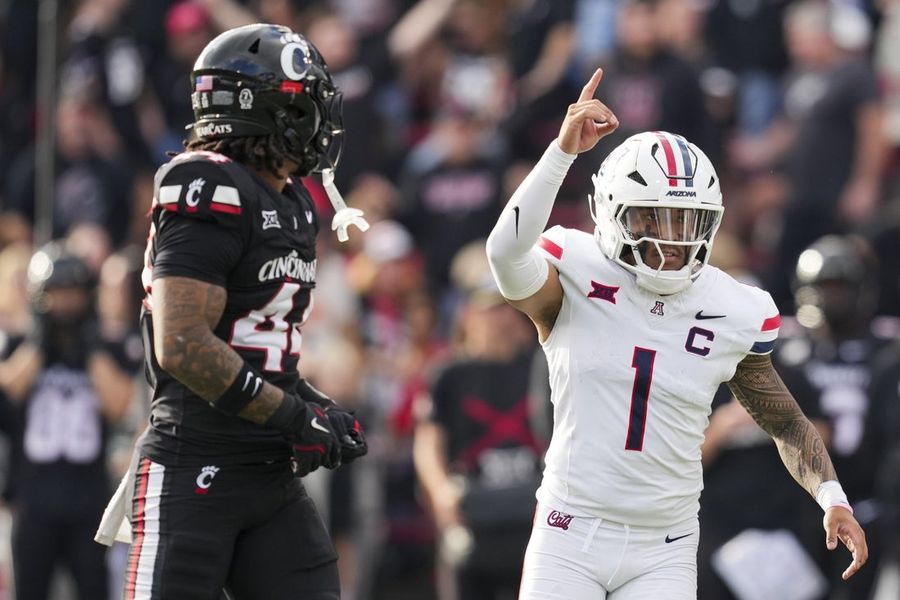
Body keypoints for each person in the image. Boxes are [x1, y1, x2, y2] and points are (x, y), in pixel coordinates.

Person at [485, 67, 868, 599]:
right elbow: (504, 253)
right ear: (612, 214)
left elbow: (783, 420)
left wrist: (832, 496)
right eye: (653, 219)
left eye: (686, 221)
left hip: (664, 546)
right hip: (569, 531)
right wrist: (561, 153)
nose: (671, 240)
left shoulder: (732, 306)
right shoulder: (574, 270)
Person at [93, 24, 368, 600]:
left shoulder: (291, 200)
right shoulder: (204, 183)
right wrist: (295, 419)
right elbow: (184, 344)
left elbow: (260, 345)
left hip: (267, 477)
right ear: (263, 108)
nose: (317, 120)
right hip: (193, 468)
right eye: (304, 103)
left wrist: (316, 406)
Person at [0, 244, 137, 600]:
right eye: (56, 293)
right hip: (32, 501)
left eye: (71, 293)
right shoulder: (18, 344)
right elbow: (11, 389)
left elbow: (118, 405)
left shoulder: (106, 348)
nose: (64, 304)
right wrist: (39, 344)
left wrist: (90, 349)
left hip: (89, 502)